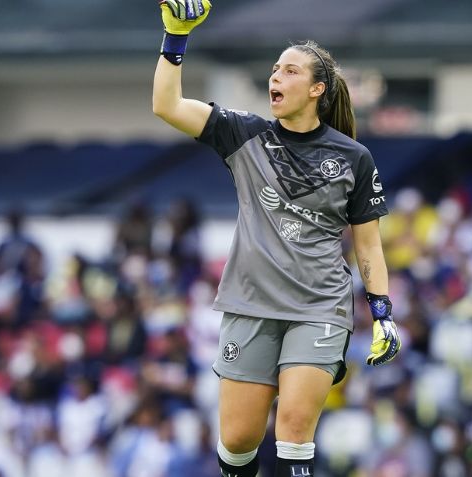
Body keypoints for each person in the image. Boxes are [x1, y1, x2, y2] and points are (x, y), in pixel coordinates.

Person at [152, 2, 401, 476]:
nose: (276, 78)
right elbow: (166, 106)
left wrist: (383, 315)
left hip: (319, 307)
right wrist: (175, 38)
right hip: (250, 304)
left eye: (289, 71)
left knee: (292, 428)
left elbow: (368, 247)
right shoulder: (244, 133)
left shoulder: (354, 157)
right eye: (273, 70)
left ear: (316, 89)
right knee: (240, 439)